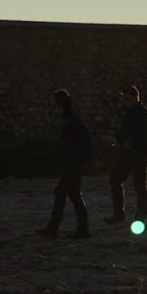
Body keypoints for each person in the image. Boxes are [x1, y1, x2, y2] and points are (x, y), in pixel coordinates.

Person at [37, 89, 93, 239]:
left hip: (72, 163)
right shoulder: (71, 117)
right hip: (73, 162)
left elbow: (81, 139)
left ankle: (54, 228)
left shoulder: (71, 119)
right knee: (74, 194)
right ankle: (83, 228)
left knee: (61, 192)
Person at [105, 85, 147, 225]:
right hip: (128, 155)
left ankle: (139, 219)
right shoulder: (130, 113)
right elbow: (123, 132)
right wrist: (118, 140)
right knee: (115, 180)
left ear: (135, 97)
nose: (124, 101)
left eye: (127, 98)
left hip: (139, 156)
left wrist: (132, 143)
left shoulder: (144, 114)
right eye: (124, 98)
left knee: (140, 187)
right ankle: (120, 216)